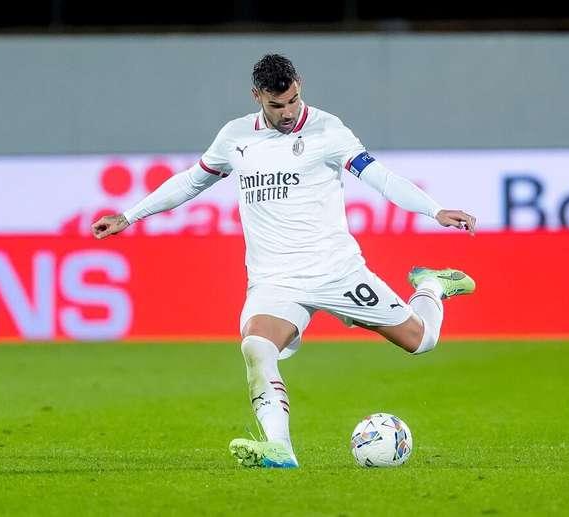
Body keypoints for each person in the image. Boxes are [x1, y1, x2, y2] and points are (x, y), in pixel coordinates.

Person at [91, 53, 477, 469]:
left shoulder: (329, 130)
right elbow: (191, 181)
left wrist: (434, 210)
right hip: (275, 280)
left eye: (293, 100)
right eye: (277, 105)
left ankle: (432, 286)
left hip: (336, 273)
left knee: (420, 342)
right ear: (256, 96)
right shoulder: (236, 137)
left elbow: (380, 177)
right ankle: (280, 449)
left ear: (300, 86)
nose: (288, 112)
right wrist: (129, 216)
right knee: (256, 347)